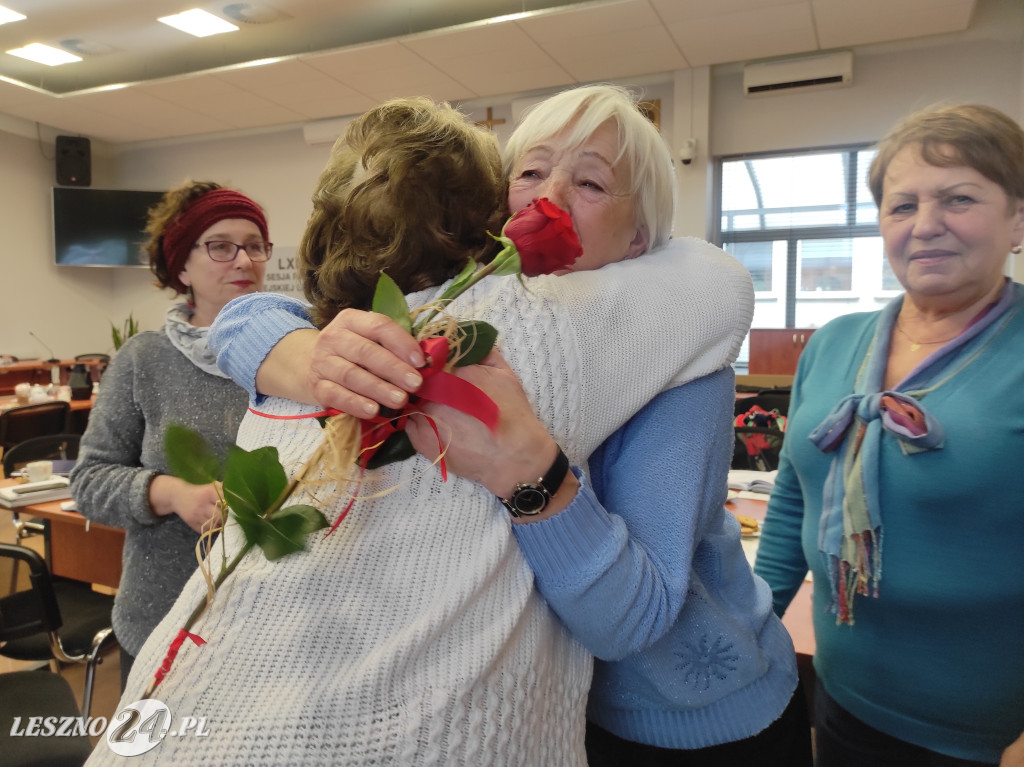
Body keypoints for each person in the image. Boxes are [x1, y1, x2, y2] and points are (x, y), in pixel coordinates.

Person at [210, 85, 812, 766]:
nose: (545, 194)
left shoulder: (676, 348)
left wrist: (531, 474)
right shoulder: (484, 315)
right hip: (558, 704)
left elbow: (634, 619)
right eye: (528, 171)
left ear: (641, 237)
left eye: (589, 181)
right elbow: (248, 317)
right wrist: (294, 352)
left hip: (689, 713)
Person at [752, 103, 1024, 767]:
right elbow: (793, 501)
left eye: (959, 198)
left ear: (1018, 217)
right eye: (902, 206)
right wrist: (752, 624)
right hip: (842, 699)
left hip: (987, 735)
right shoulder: (834, 343)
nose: (926, 226)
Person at [69, 181, 270, 689]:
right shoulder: (144, 360)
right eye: (221, 246)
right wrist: (170, 493)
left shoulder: (292, 353)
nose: (243, 259)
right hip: (165, 619)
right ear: (181, 267)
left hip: (269, 618)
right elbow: (89, 481)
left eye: (254, 244)